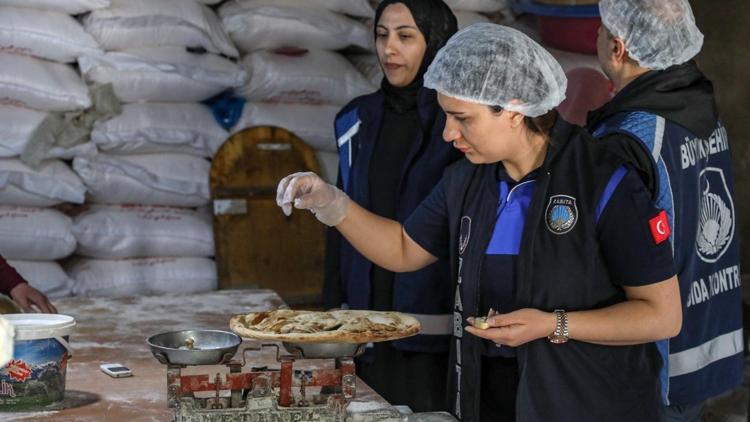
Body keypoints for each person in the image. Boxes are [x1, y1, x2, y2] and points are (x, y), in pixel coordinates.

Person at [279, 24, 682, 421]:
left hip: (590, 402)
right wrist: (331, 204)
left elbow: (662, 315)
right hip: (492, 399)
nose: (448, 133)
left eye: (461, 118)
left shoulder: (603, 180)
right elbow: (403, 248)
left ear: (512, 109)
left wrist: (552, 325)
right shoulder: (467, 179)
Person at [587, 1, 743, 420]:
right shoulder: (700, 110)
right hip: (704, 341)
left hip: (654, 369)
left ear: (618, 48)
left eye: (601, 30)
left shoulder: (631, 136)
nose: (595, 37)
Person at [324, 0, 461, 412]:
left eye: (405, 36)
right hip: (364, 329)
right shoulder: (355, 121)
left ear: (436, 43)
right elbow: (337, 222)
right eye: (382, 35)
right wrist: (332, 311)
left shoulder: (456, 125)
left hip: (433, 330)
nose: (389, 50)